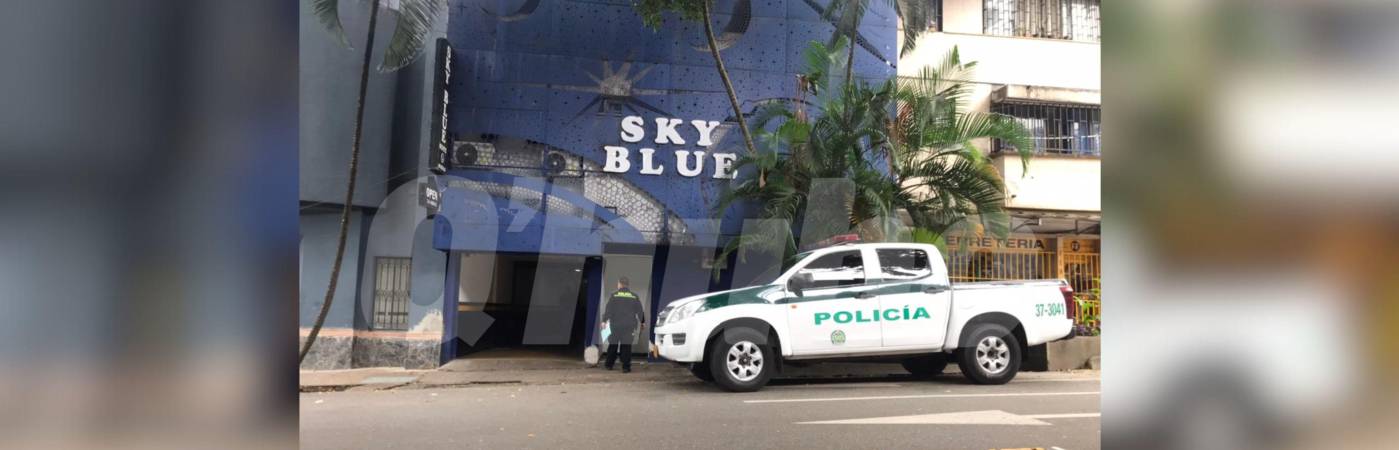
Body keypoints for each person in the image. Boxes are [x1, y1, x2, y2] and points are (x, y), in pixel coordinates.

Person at [602, 276, 645, 373]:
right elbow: (640, 311)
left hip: (615, 325)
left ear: (620, 284)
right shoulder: (634, 296)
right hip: (629, 326)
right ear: (628, 285)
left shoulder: (614, 295)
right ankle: (626, 367)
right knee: (626, 346)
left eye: (618, 283)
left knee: (613, 345)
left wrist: (604, 321)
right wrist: (643, 322)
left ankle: (609, 365)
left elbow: (609, 310)